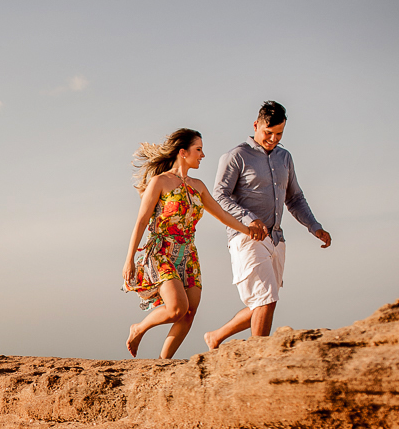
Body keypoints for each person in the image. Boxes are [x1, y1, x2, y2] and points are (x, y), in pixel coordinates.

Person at [123, 128, 264, 358]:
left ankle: (163, 362)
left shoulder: (198, 186)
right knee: (176, 308)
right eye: (198, 150)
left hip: (188, 253)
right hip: (162, 251)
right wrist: (129, 260)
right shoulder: (160, 182)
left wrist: (249, 230)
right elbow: (141, 221)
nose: (202, 155)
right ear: (182, 152)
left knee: (189, 312)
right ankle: (138, 328)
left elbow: (222, 215)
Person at [203, 101, 332, 349]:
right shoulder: (236, 156)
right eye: (268, 133)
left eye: (279, 134)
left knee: (264, 303)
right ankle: (258, 359)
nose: (273, 139)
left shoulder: (285, 158)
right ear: (256, 125)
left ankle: (215, 336)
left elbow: (294, 198)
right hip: (245, 237)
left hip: (275, 239)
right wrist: (249, 218)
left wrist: (314, 226)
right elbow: (219, 196)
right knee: (265, 299)